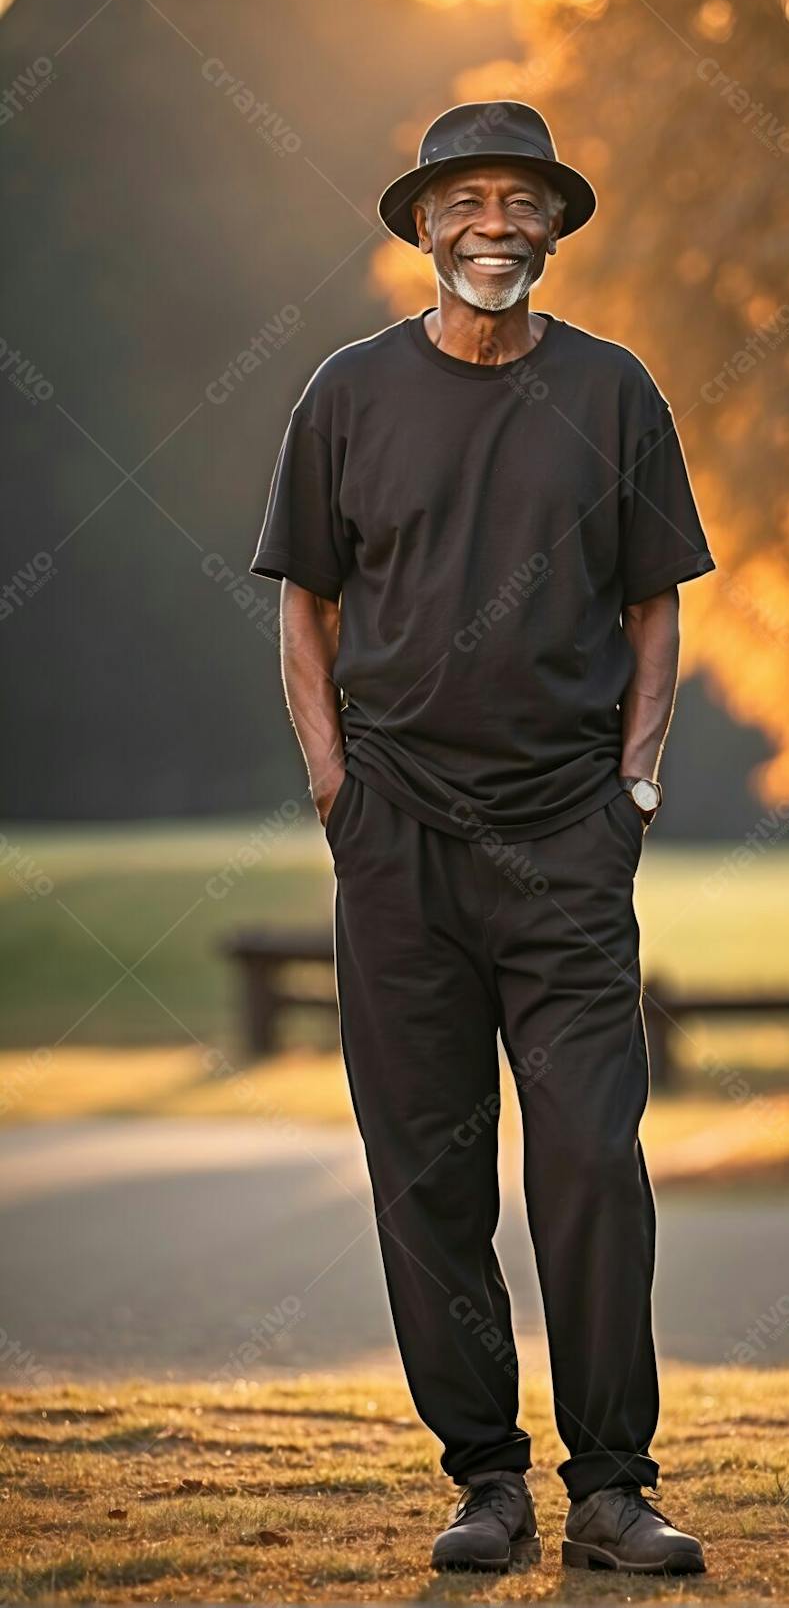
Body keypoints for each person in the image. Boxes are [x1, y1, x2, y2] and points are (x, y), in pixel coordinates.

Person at [251, 100, 715, 1575]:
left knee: (588, 1156)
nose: (496, 223)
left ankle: (613, 1488)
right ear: (424, 226)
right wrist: (336, 788)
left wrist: (634, 786)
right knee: (430, 1171)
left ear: (559, 225)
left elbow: (657, 602)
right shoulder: (343, 394)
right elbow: (304, 607)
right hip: (397, 844)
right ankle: (488, 1483)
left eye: (525, 200)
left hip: (569, 847)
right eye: (468, 200)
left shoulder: (617, 390)